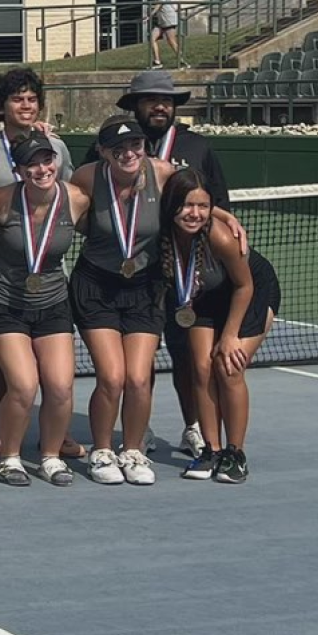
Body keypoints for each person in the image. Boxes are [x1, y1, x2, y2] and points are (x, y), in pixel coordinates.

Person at [86, 68, 231, 459]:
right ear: (135, 105)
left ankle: (195, 426)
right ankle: (139, 429)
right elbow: (83, 197)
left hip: (183, 275)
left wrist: (228, 221)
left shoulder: (197, 147)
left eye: (166, 100)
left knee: (190, 357)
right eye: (151, 100)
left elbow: (214, 202)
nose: (160, 106)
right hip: (133, 277)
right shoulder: (110, 145)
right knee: (138, 363)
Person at [0, 67, 74, 461]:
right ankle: (9, 442)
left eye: (31, 99)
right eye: (16, 99)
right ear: (1, 107)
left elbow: (70, 199)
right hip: (0, 269)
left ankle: (51, 439)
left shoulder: (56, 148)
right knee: (12, 372)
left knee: (54, 376)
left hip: (46, 273)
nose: (25, 105)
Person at [69, 115, 188, 486]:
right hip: (96, 286)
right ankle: (102, 450)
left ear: (144, 146)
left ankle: (133, 450)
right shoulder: (87, 178)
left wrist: (224, 218)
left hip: (146, 288)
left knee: (138, 378)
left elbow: (194, 206)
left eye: (134, 145)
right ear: (103, 152)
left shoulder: (165, 174)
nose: (128, 153)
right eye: (117, 149)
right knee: (112, 376)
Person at [0, 132, 88, 486]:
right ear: (18, 170)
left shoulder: (77, 199)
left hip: (52, 302)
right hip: (3, 303)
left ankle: (50, 457)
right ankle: (9, 457)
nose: (42, 169)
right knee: (23, 385)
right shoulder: (0, 201)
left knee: (60, 387)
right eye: (31, 163)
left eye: (46, 160)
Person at [161, 169, 277, 484]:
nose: (194, 214)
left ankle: (234, 453)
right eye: (187, 205)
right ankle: (210, 450)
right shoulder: (163, 234)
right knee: (200, 368)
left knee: (228, 367)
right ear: (171, 205)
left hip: (249, 293)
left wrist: (228, 336)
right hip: (203, 298)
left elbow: (244, 287)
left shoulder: (219, 236)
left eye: (202, 206)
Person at [147, 0, 178, 68]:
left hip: (168, 19)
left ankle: (181, 60)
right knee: (152, 38)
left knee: (171, 41)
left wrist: (150, 15)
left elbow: (160, 4)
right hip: (162, 20)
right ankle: (157, 61)